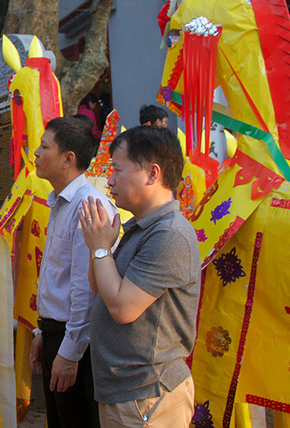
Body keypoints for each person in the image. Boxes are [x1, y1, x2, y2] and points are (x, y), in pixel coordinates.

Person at [79, 125, 200, 428]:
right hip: (124, 390)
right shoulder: (140, 228)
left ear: (152, 174)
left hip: (148, 391)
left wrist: (101, 249)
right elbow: (102, 294)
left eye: (117, 170)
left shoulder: (169, 234)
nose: (109, 180)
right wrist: (98, 248)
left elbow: (123, 308)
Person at [30, 117, 116, 428]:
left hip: (77, 343)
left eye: (44, 147)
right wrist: (43, 332)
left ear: (68, 159)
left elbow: (85, 291)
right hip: (58, 334)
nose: (36, 153)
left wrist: (69, 353)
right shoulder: (61, 202)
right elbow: (58, 277)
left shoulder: (88, 207)